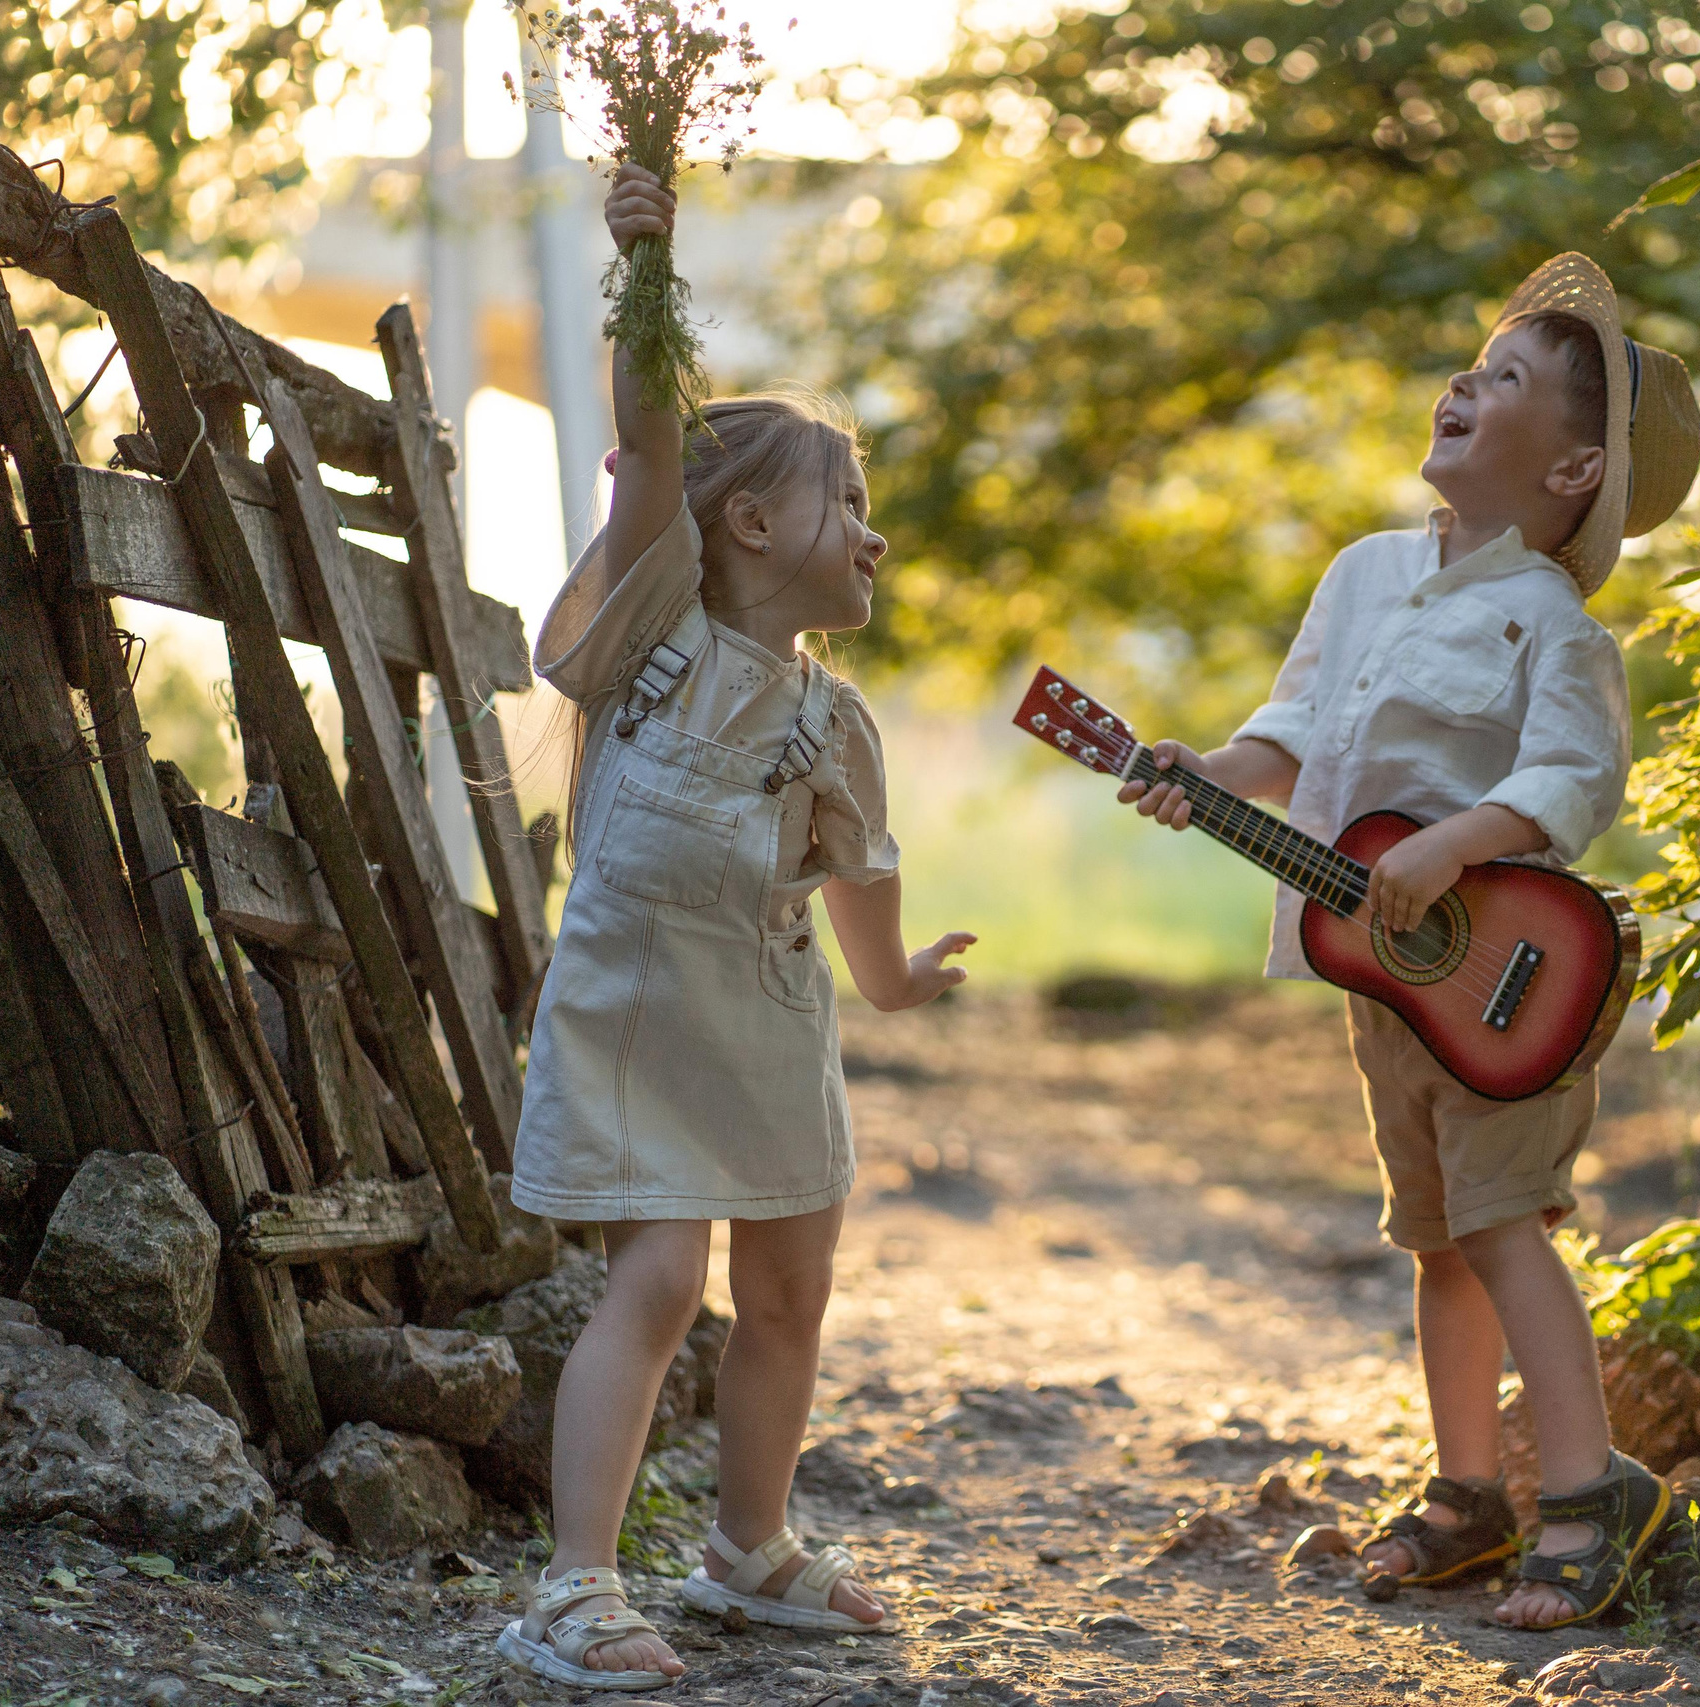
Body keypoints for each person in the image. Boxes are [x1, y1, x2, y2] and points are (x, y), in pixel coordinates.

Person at [1120, 255, 1700, 1630]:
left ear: (1571, 474)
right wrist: (1206, 766)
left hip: (1511, 981)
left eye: (1505, 381)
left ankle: (1588, 1491)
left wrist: (1454, 844)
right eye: (1473, 361)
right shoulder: (1365, 573)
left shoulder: (1555, 627)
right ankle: (1467, 1495)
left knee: (1506, 1227)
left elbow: (1574, 783)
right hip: (1384, 981)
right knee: (1438, 1236)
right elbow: (1297, 733)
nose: (1464, 382)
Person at [496, 162, 975, 1692]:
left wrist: (894, 988)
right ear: (754, 521)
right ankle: (576, 1585)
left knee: (791, 1287)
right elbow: (648, 439)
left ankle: (751, 1546)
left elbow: (859, 874)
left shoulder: (840, 721)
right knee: (656, 1279)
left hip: (769, 1026)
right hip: (641, 1015)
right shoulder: (656, 628)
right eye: (856, 503)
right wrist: (649, 260)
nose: (875, 536)